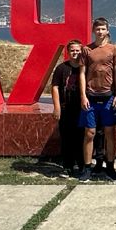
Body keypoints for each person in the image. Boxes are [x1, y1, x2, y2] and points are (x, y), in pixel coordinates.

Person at [78, 17, 116, 181]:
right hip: (90, 97)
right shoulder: (86, 50)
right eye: (97, 29)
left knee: (110, 133)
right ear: (93, 31)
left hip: (108, 97)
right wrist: (83, 95)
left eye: (103, 29)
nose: (100, 32)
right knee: (89, 133)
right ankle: (87, 168)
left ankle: (110, 167)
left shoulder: (113, 50)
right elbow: (82, 73)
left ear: (107, 30)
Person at [48, 38, 85, 175]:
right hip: (66, 108)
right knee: (67, 138)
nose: (75, 53)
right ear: (68, 52)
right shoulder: (61, 68)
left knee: (81, 137)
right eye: (72, 50)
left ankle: (82, 165)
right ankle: (67, 166)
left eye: (77, 50)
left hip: (82, 109)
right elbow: (55, 87)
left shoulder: (84, 68)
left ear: (82, 51)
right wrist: (57, 107)